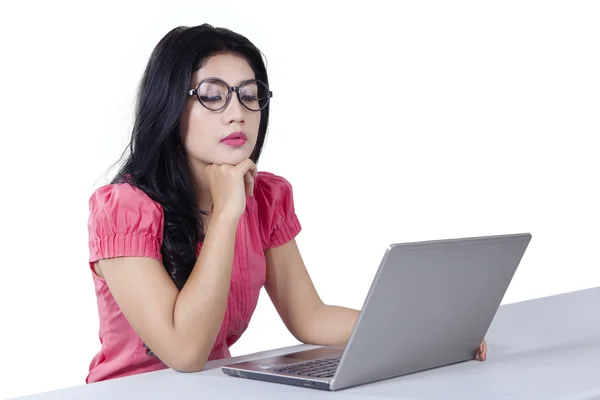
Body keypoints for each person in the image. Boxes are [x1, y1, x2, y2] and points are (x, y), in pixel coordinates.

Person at [85, 23, 487, 383]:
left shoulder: (264, 198)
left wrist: (428, 331)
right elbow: (185, 353)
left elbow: (309, 315)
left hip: (214, 388)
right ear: (170, 106)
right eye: (212, 96)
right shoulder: (125, 209)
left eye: (249, 95)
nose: (237, 114)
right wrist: (226, 215)